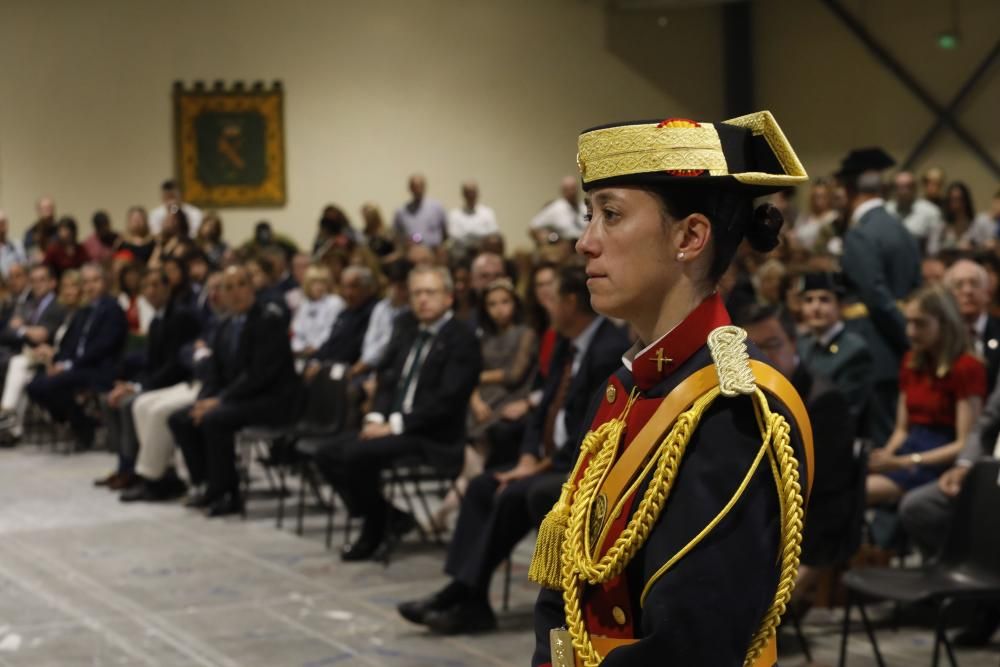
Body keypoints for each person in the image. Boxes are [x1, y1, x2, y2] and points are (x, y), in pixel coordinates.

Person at [530, 112, 813, 667]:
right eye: (589, 216)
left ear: (689, 237)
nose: (586, 243)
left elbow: (692, 644)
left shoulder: (730, 411)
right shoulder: (631, 385)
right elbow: (565, 591)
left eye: (610, 215)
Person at [398, 265, 628, 634]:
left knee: (514, 493)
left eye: (552, 299)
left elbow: (596, 426)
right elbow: (541, 409)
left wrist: (535, 468)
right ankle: (467, 595)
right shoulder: (567, 344)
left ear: (570, 302)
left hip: (582, 465)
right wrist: (525, 457)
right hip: (546, 458)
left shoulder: (608, 348)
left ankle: (464, 595)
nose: (546, 306)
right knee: (481, 486)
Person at [309, 264, 482, 561]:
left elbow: (447, 401)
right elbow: (386, 378)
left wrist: (396, 425)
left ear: (449, 297)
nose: (423, 300)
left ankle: (374, 527)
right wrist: (377, 417)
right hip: (393, 426)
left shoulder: (462, 337)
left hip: (433, 435)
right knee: (326, 452)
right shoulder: (405, 326)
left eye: (430, 293)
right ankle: (388, 516)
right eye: (417, 293)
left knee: (356, 456)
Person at [738, 304, 856, 617]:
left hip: (810, 528)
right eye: (751, 348)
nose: (760, 357)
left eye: (772, 345)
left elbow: (823, 492)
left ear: (794, 343)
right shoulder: (747, 397)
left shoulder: (821, 400)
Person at [168, 265, 301, 516]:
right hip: (239, 398)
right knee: (182, 418)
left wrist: (219, 401)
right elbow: (214, 372)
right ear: (222, 294)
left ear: (252, 289)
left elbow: (259, 375)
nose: (237, 292)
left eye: (242, 285)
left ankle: (228, 494)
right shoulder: (224, 325)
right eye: (229, 287)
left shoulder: (268, 320)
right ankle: (206, 484)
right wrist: (205, 399)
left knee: (215, 419)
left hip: (271, 400)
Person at [866, 286, 985, 506]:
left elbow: (964, 442)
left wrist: (903, 462)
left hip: (940, 457)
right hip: (910, 448)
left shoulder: (966, 366)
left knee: (861, 492)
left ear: (944, 323)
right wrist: (886, 456)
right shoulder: (912, 361)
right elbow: (902, 430)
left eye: (920, 323)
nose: (910, 332)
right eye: (908, 322)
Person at [837, 147, 921, 446]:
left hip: (870, 348)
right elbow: (914, 289)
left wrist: (907, 334)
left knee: (875, 442)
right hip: (894, 350)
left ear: (848, 190)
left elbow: (875, 297)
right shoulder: (901, 230)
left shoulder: (861, 234)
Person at [98, 267, 201, 491]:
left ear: (168, 288)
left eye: (156, 285)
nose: (151, 291)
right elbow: (151, 364)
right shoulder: (156, 321)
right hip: (160, 382)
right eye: (146, 286)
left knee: (129, 403)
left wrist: (138, 387)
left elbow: (176, 366)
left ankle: (145, 471)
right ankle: (125, 465)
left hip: (179, 382)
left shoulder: (181, 316)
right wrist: (130, 384)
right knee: (110, 399)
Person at [26, 263, 128, 449]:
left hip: (100, 368)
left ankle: (82, 425)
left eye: (95, 281)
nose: (90, 286)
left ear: (104, 282)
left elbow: (102, 347)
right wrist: (58, 363)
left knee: (51, 385)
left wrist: (68, 366)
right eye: (86, 282)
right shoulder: (84, 311)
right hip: (77, 367)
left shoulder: (113, 308)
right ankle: (81, 422)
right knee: (34, 385)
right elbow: (69, 345)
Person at [0, 270, 81, 444]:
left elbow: (41, 335)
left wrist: (21, 329)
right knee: (22, 373)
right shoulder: (29, 304)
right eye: (34, 281)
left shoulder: (58, 307)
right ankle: (12, 429)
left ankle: (6, 414)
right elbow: (7, 331)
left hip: (51, 359)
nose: (37, 285)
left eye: (42, 280)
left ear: (53, 283)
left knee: (18, 364)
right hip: (36, 356)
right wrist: (27, 332)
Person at [796, 272, 873, 423]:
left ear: (840, 305)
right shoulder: (803, 344)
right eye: (808, 300)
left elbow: (846, 410)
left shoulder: (854, 350)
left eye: (824, 300)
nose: (815, 307)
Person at [944, 259, 1000, 394]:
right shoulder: (940, 337)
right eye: (958, 285)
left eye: (974, 284)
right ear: (946, 296)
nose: (968, 291)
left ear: (987, 293)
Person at [290, 264, 345, 359]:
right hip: (303, 352)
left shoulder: (335, 302)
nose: (319, 286)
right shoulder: (305, 304)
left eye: (323, 282)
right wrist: (298, 348)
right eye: (314, 282)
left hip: (325, 352)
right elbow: (297, 331)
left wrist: (315, 347)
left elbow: (331, 330)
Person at [886, 170, 944, 255]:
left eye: (908, 187)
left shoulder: (931, 212)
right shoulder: (885, 210)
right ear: (894, 189)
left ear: (915, 188)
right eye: (900, 187)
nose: (904, 191)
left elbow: (934, 248)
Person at [936, 181, 994, 251]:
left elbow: (986, 245)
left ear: (966, 201)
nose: (957, 204)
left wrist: (974, 247)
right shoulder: (942, 225)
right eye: (953, 200)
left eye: (960, 199)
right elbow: (933, 250)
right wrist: (955, 247)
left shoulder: (976, 223)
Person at [393, 174, 448, 248]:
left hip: (433, 251)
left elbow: (445, 232)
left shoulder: (437, 208)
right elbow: (397, 235)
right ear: (410, 188)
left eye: (419, 186)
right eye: (414, 187)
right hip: (411, 253)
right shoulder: (401, 211)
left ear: (424, 187)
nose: (417, 190)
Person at [530, 176, 586, 241]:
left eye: (573, 188)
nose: (572, 192)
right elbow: (532, 228)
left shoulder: (584, 207)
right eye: (568, 189)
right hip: (566, 245)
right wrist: (550, 239)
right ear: (562, 191)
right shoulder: (555, 208)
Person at [447, 181, 499, 248]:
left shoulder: (488, 213)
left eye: (473, 192)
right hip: (462, 251)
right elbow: (453, 235)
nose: (471, 195)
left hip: (483, 249)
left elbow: (493, 233)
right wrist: (478, 236)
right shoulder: (454, 214)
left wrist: (470, 235)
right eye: (468, 193)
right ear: (463, 194)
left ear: (478, 194)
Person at [792, 179, 838, 252]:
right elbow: (795, 237)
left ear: (829, 197)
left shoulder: (834, 218)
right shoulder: (803, 217)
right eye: (815, 196)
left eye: (822, 196)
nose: (818, 201)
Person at [0, 210, 26, 279]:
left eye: (3, 223)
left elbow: (24, 266)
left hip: (16, 284)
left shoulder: (17, 244)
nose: (1, 227)